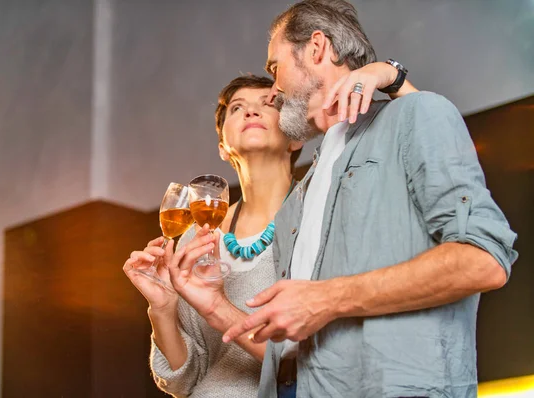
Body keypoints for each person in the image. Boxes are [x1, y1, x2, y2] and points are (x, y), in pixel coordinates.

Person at [221, 1, 519, 397]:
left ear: (316, 48)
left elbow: (484, 259)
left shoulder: (416, 113)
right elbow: (290, 338)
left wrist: (326, 298)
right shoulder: (300, 197)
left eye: (275, 69)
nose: (273, 91)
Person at [123, 63, 418, 396]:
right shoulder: (195, 237)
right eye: (237, 108)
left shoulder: (323, 213)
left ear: (295, 138)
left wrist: (387, 74)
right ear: (222, 146)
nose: (251, 111)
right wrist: (161, 310)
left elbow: (331, 356)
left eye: (269, 103)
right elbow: (182, 381)